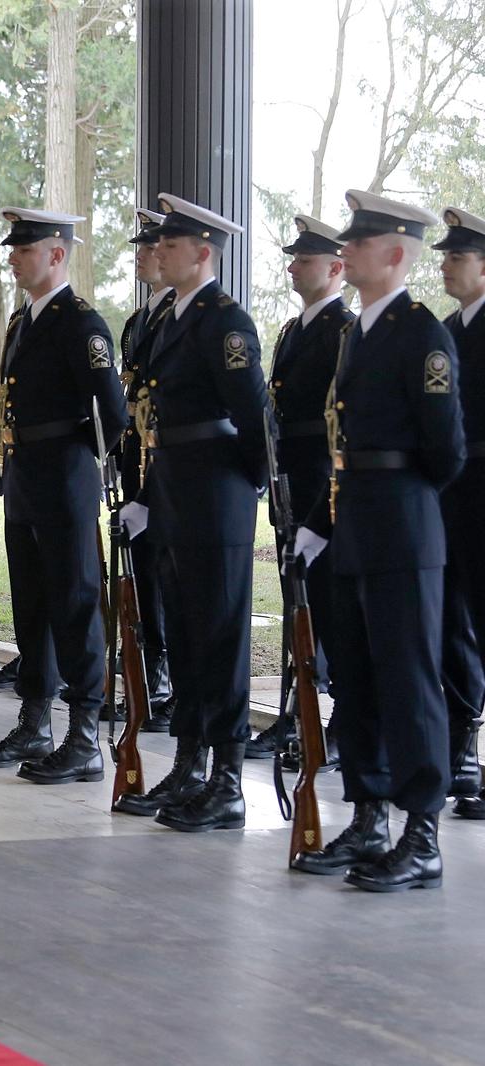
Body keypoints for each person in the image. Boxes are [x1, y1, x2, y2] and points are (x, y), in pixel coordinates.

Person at [292, 191, 463, 890]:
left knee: (408, 679)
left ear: (395, 254)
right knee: (356, 675)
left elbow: (444, 452)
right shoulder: (354, 331)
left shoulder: (422, 333)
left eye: (358, 244)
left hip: (402, 524)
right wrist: (319, 520)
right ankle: (368, 817)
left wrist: (394, 498)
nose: (345, 253)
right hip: (354, 519)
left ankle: (421, 831)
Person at [115, 194, 266, 830]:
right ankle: (189, 761)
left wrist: (252, 488)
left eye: (171, 245)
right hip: (175, 486)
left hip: (216, 491)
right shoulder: (169, 318)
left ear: (203, 253)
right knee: (182, 628)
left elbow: (253, 415)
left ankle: (227, 776)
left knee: (220, 634)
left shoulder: (224, 321)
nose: (159, 252)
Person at [0, 208, 127, 780]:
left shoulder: (83, 324)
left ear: (57, 255)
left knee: (76, 605)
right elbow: (6, 411)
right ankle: (36, 721)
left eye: (24, 248)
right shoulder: (21, 323)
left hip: (64, 479)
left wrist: (72, 457)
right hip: (26, 478)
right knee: (30, 605)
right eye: (13, 248)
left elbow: (113, 415)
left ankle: (83, 733)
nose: (12, 256)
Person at [245, 215, 353, 762]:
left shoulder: (345, 331)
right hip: (288, 476)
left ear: (336, 268)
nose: (291, 267)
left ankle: (341, 722)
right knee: (297, 604)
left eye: (303, 260)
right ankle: (297, 709)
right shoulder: (293, 330)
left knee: (331, 605)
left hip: (322, 483)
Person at [115, 209, 177, 730]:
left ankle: (165, 673)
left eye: (149, 245)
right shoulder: (138, 322)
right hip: (135, 461)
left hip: (166, 465)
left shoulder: (180, 314)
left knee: (164, 571)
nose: (139, 253)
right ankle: (149, 666)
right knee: (143, 571)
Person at [436, 207, 485, 820]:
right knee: (452, 620)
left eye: (457, 256)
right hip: (451, 488)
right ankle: (461, 744)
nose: (445, 265)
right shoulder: (446, 330)